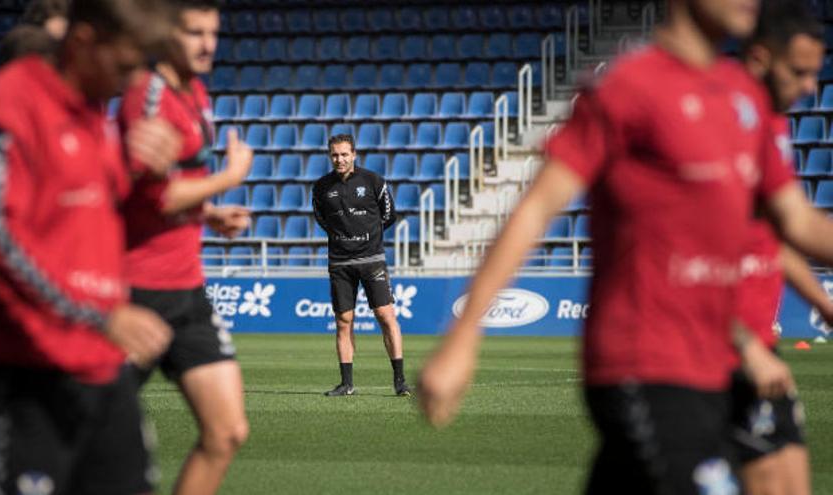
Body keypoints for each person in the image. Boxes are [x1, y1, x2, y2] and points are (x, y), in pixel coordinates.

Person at [417, 0, 833, 493]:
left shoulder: (744, 97)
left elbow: (797, 220)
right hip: (645, 363)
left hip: (716, 368)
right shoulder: (627, 85)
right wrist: (463, 339)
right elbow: (536, 208)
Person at [0, 0, 182, 493]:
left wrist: (148, 177)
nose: (129, 82)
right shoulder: (6, 105)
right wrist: (100, 314)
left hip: (102, 366)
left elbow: (102, 221)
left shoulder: (95, 113)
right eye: (123, 66)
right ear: (82, 43)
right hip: (25, 371)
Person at [116, 1, 252, 493]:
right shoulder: (146, 96)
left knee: (227, 431)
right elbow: (158, 192)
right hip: (135, 293)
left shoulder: (195, 91)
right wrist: (229, 179)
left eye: (212, 32)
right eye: (194, 32)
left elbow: (172, 190)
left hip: (188, 290)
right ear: (164, 33)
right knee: (92, 444)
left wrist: (208, 215)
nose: (207, 43)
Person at [733, 2, 827, 493]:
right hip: (708, 353)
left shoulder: (771, 124)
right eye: (800, 73)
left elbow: (779, 234)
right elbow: (684, 252)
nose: (811, 88)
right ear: (761, 58)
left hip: (755, 350)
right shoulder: (724, 118)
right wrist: (745, 344)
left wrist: (822, 302)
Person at [312, 134, 411, 397]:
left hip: (371, 259)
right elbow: (321, 218)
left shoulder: (373, 181)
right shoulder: (321, 187)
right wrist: (342, 237)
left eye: (344, 154)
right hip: (340, 262)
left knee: (385, 316)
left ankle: (400, 381)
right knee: (344, 320)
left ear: (354, 154)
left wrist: (368, 235)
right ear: (329, 156)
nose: (339, 159)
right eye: (335, 154)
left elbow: (389, 214)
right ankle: (346, 384)